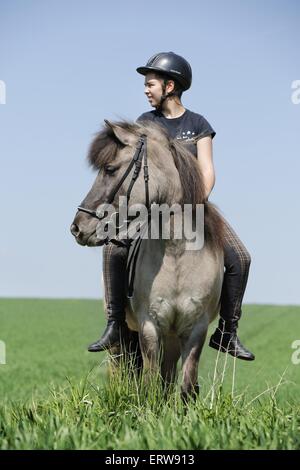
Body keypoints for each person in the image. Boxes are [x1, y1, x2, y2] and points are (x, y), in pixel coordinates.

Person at [88, 52, 255, 361]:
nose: (145, 89)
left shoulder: (198, 124)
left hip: (194, 207)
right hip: (149, 210)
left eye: (150, 84)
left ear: (170, 86)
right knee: (113, 248)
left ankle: (228, 332)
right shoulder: (144, 124)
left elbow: (207, 170)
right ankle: (116, 325)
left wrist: (194, 201)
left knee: (241, 257)